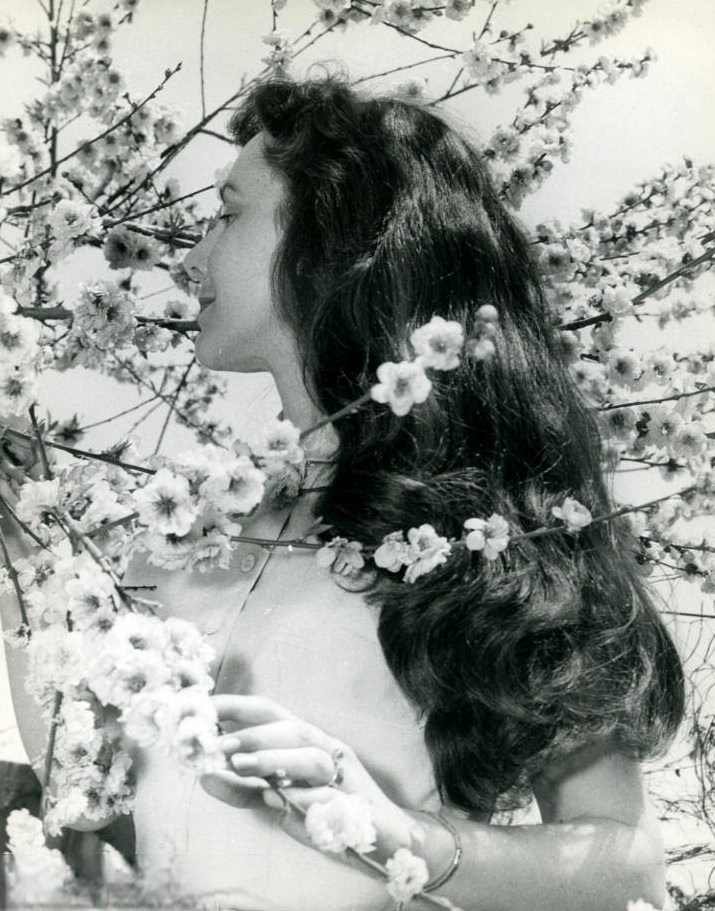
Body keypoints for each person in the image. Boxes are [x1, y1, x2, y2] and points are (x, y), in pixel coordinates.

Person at [1, 71, 684, 910]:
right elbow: (91, 790)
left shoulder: (481, 532)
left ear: (332, 231)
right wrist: (25, 575)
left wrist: (402, 837)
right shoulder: (214, 535)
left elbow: (626, 857)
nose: (189, 259)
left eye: (227, 214)